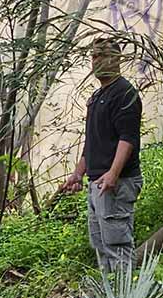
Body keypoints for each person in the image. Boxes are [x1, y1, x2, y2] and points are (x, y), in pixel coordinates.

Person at [59, 37, 144, 272]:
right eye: (93, 56)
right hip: (97, 183)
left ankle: (127, 297)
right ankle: (112, 296)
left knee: (117, 244)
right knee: (101, 244)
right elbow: (92, 142)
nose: (94, 61)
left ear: (115, 59)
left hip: (116, 183)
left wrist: (113, 174)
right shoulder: (97, 97)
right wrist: (78, 174)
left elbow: (127, 139)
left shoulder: (124, 94)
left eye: (100, 55)